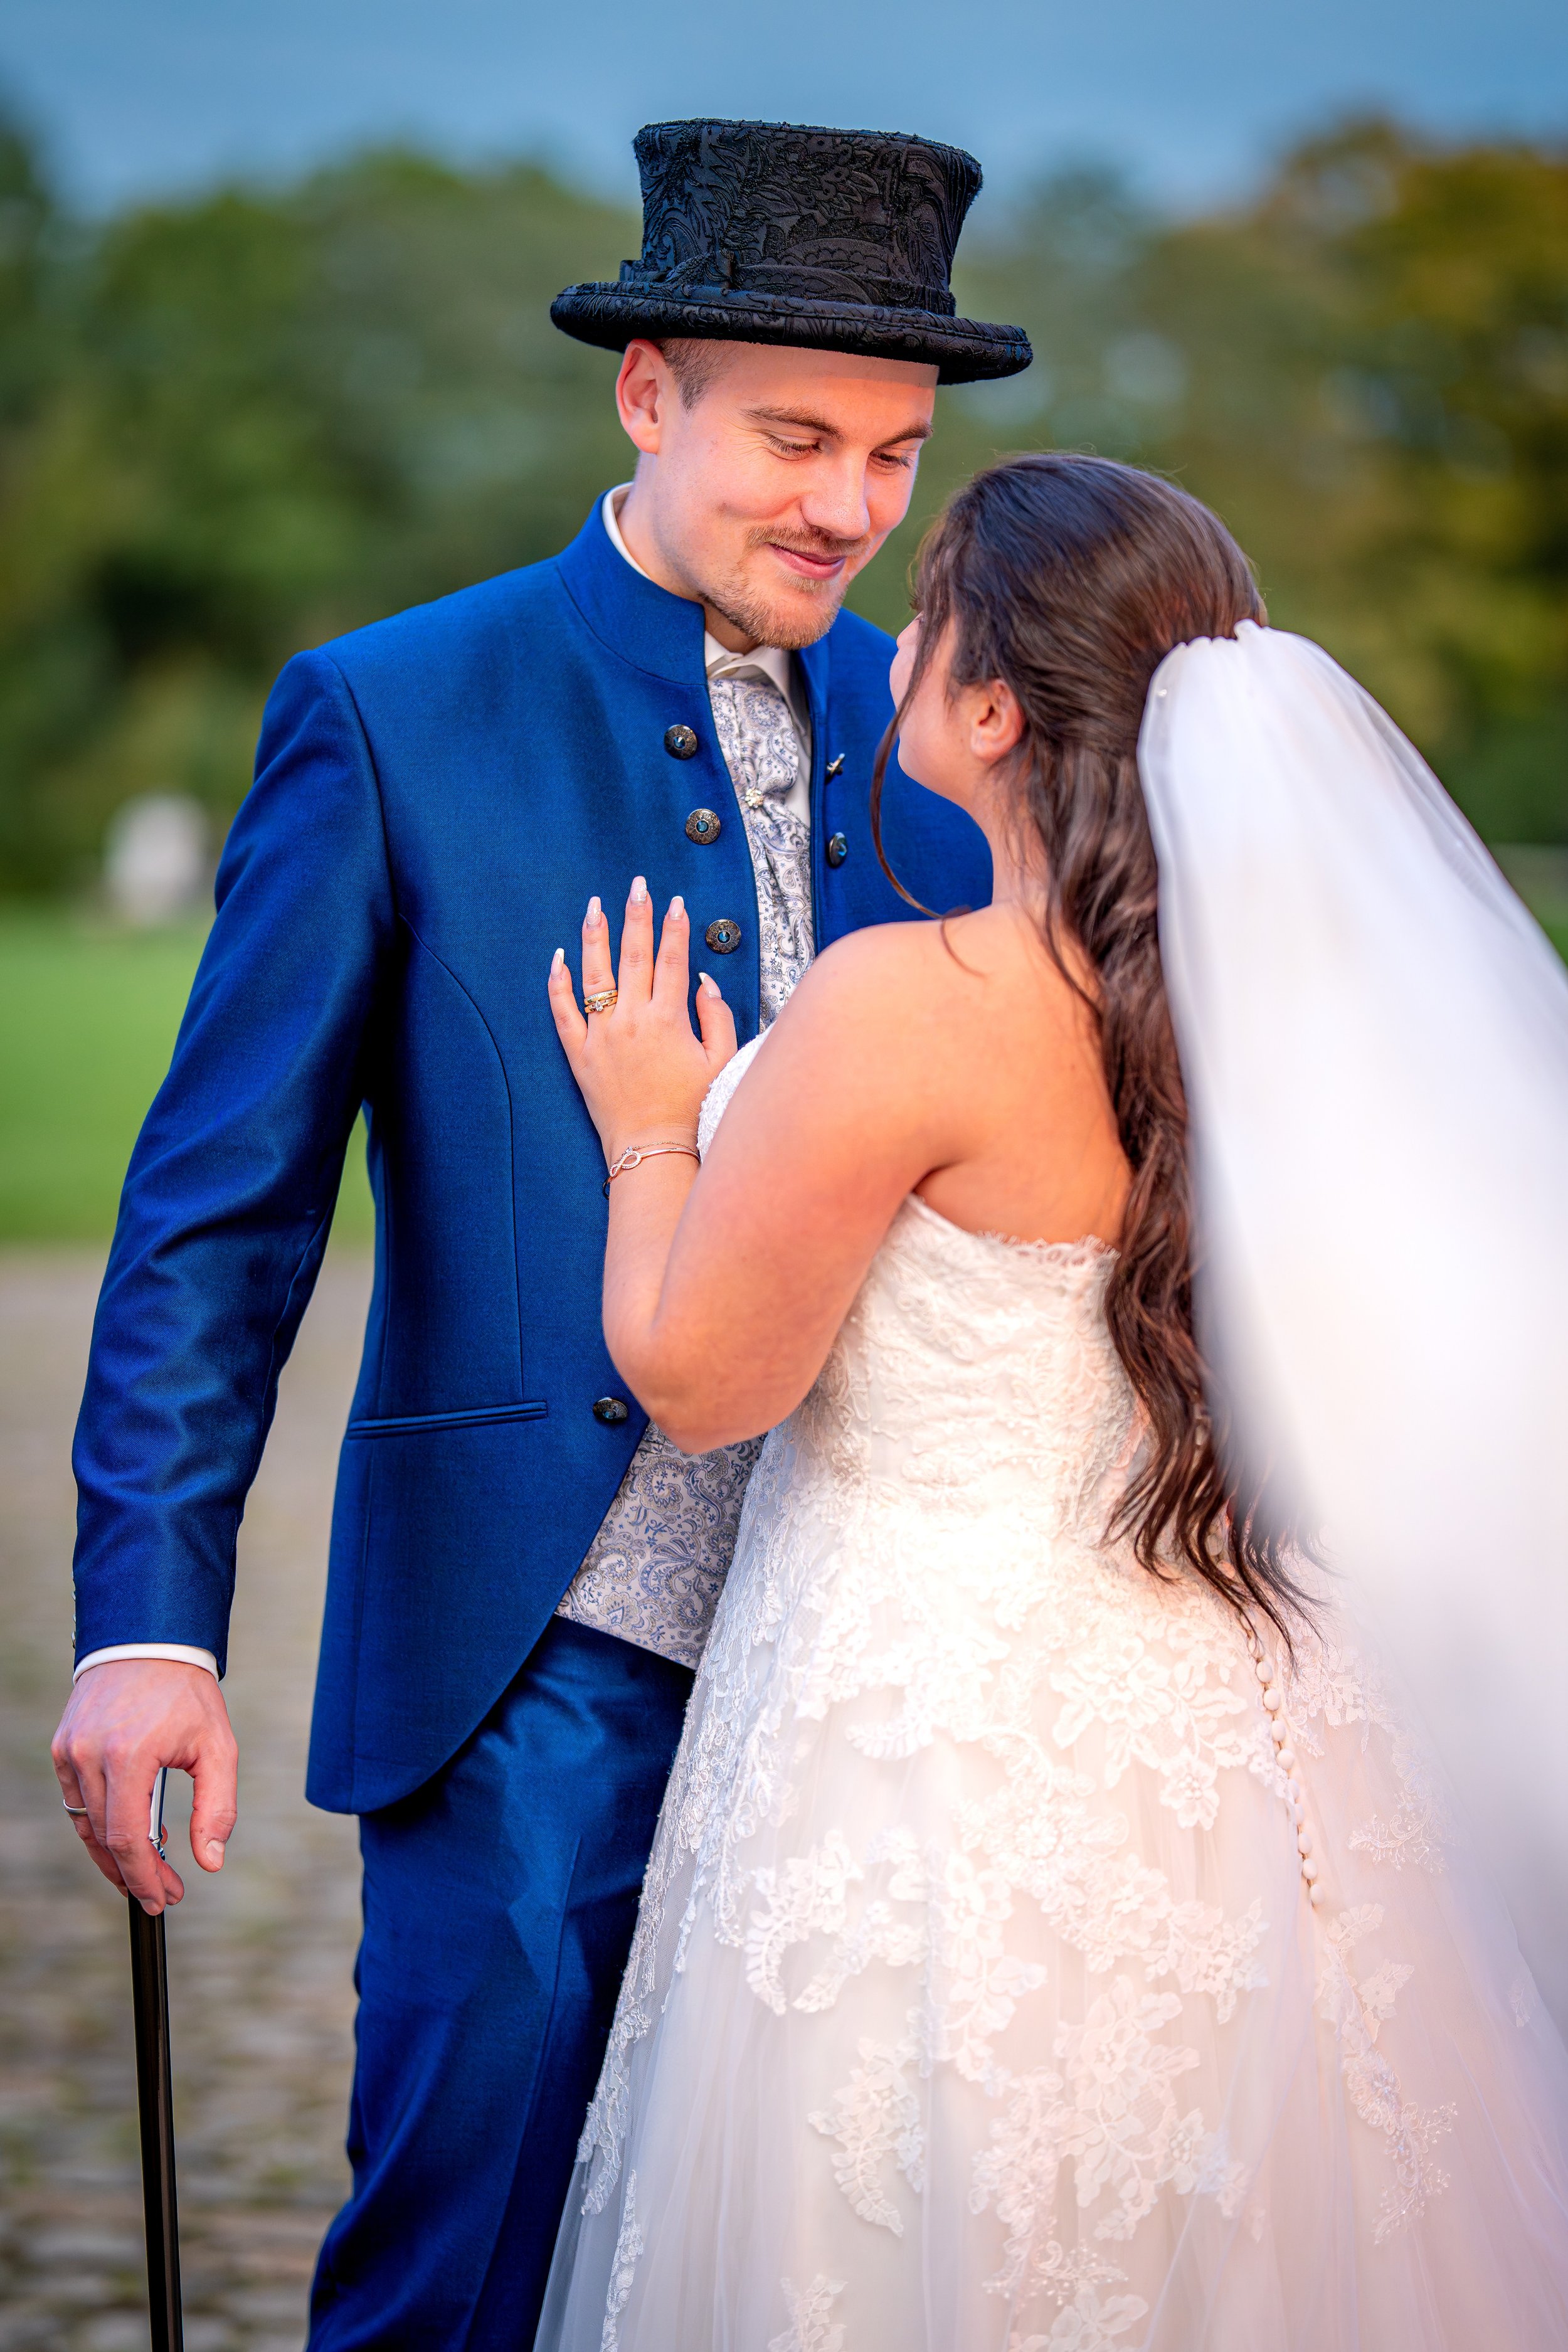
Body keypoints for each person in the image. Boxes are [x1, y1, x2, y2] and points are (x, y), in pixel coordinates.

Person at [48, 120, 1029, 2348]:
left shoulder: (961, 736)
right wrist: (145, 1623)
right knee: (456, 2271)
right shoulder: (392, 715)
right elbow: (218, 1219)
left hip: (901, 1667)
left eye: (891, 454)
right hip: (535, 1659)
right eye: (794, 436)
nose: (849, 509)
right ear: (642, 392)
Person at [537, 453, 1568, 2348]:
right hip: (1237, 1726)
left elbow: (701, 1380)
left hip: (918, 1726)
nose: (899, 644)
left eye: (928, 620)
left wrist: (647, 1134)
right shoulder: (1278, 1019)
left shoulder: (908, 1005)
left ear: (992, 704)